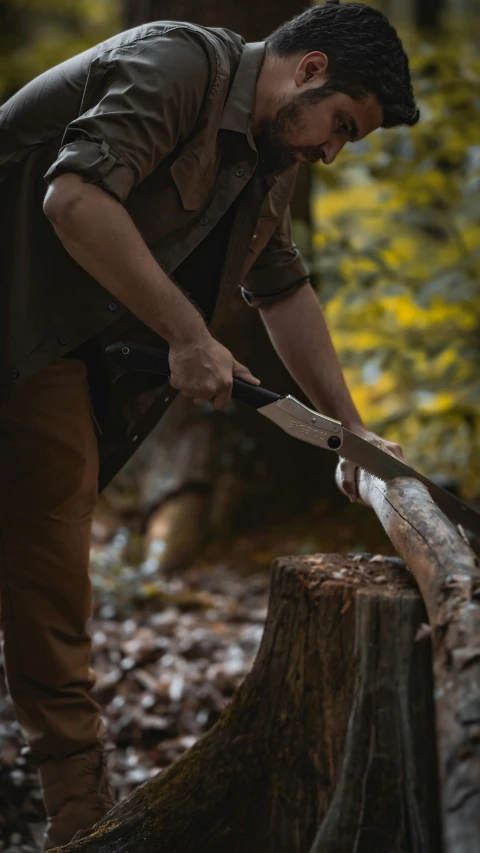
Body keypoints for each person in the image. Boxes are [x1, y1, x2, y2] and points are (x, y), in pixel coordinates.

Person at [0, 0, 418, 847]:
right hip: (20, 322)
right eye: (340, 125)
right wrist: (186, 335)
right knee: (50, 542)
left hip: (54, 342)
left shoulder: (270, 153)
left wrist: (351, 430)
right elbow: (73, 199)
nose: (332, 151)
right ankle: (79, 815)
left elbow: (283, 287)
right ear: (308, 71)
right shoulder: (178, 67)